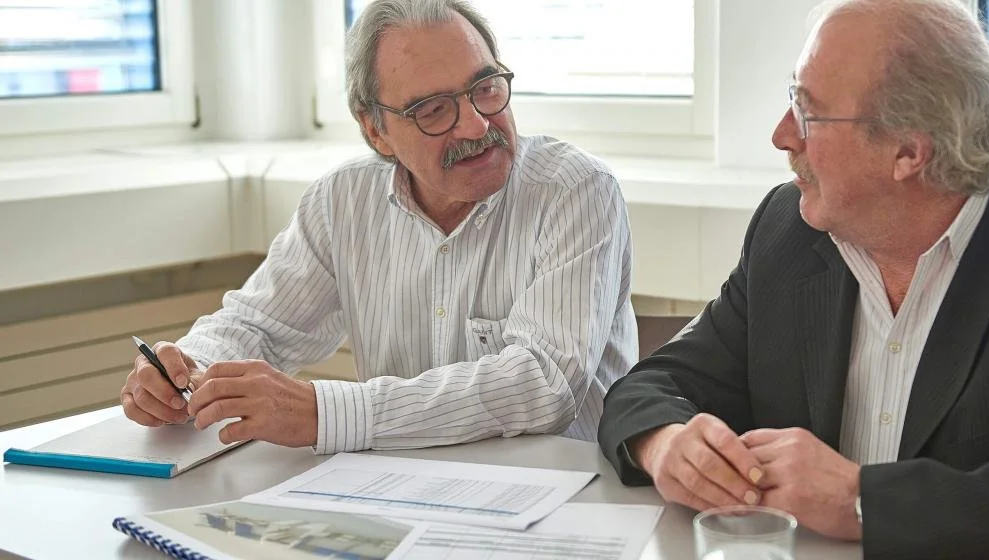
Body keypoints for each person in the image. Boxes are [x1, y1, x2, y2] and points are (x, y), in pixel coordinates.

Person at [598, 0, 989, 557]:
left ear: (908, 150)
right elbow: (657, 383)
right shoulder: (789, 234)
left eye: (808, 112)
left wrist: (865, 501)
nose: (782, 135)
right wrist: (664, 443)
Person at [120, 0, 637, 454]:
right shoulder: (342, 201)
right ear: (376, 130)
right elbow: (259, 327)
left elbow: (542, 385)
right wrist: (187, 370)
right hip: (394, 495)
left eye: (486, 88)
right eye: (434, 110)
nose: (477, 124)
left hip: (566, 500)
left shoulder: (574, 189)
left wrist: (325, 413)